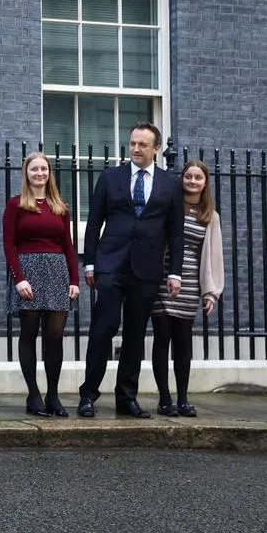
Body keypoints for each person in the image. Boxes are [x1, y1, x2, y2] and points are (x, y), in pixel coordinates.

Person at [79, 122, 184, 419]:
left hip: (147, 268)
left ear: (156, 149)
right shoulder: (110, 177)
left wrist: (175, 273)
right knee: (104, 328)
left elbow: (176, 232)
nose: (135, 149)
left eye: (142, 144)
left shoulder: (170, 183)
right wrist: (90, 262)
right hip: (111, 264)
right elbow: (93, 223)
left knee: (135, 335)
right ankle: (88, 395)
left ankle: (126, 397)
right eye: (133, 143)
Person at [2, 152, 80, 418]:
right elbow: (9, 245)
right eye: (34, 169)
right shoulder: (16, 205)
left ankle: (53, 396)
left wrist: (74, 280)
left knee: (55, 336)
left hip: (57, 272)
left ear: (49, 173)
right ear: (26, 173)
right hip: (28, 272)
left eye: (44, 169)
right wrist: (19, 278)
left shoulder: (60, 206)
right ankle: (33, 395)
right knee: (29, 333)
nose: (39, 173)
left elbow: (68, 245)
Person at [151, 160, 224, 417]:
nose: (192, 181)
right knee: (162, 339)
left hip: (190, 284)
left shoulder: (210, 216)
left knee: (183, 343)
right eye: (188, 176)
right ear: (181, 180)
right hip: (163, 279)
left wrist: (211, 292)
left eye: (198, 177)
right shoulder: (170, 207)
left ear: (205, 183)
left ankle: (183, 399)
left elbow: (214, 256)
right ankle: (164, 399)